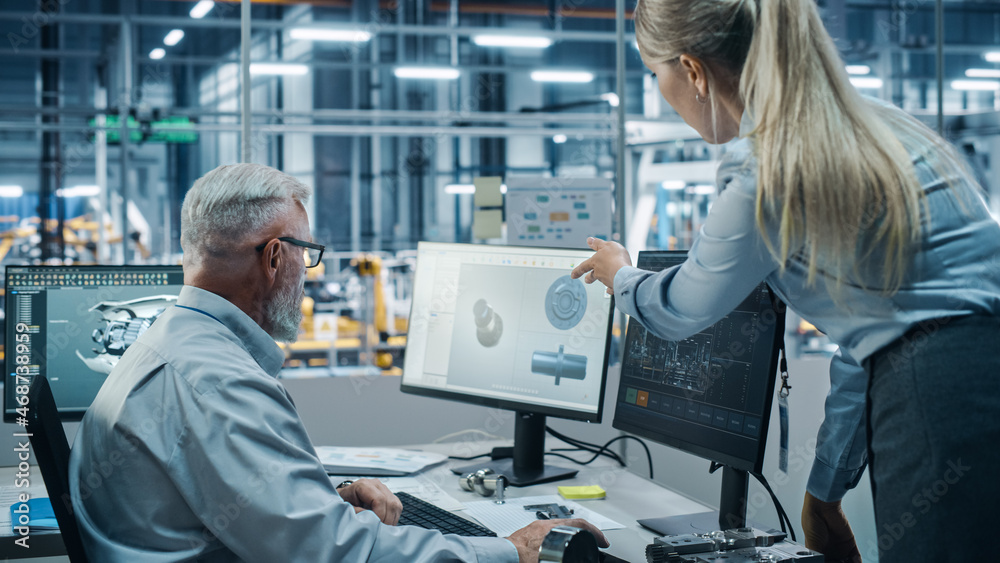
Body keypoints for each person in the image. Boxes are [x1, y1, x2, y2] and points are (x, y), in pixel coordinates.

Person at [572, 1, 1000, 562]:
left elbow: (681, 307)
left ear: (694, 71)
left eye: (656, 74)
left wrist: (620, 275)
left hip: (941, 397)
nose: (659, 93)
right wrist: (825, 491)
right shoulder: (883, 129)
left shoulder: (767, 165)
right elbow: (873, 340)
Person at [68, 163, 608, 562]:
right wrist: (511, 551)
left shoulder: (180, 344)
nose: (309, 273)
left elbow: (248, 503)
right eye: (309, 254)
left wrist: (326, 497)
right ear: (277, 257)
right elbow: (336, 555)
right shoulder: (216, 383)